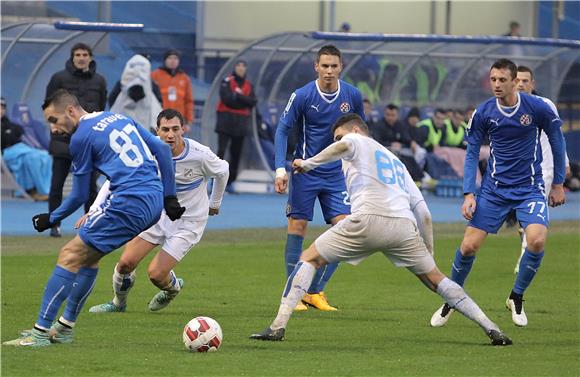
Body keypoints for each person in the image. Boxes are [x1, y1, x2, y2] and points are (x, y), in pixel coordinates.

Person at [250, 114, 512, 346]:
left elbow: (346, 144)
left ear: (355, 131)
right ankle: (492, 328)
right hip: (403, 227)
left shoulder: (357, 141)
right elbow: (424, 213)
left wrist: (308, 164)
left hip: (367, 219)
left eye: (338, 136)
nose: (337, 142)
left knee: (309, 258)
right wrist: (427, 251)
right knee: (435, 279)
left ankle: (277, 327)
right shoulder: (397, 162)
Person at [3, 90, 185, 347]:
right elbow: (162, 150)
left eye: (53, 120)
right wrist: (169, 197)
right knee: (88, 259)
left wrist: (51, 218)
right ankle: (65, 328)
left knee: (69, 255)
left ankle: (40, 332)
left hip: (129, 202)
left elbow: (78, 195)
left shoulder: (81, 137)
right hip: (152, 199)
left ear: (70, 111)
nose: (53, 129)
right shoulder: (116, 117)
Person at [430, 59, 566, 329]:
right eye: (493, 80)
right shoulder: (484, 112)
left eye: (502, 80)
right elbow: (471, 153)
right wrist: (469, 193)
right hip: (494, 191)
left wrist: (559, 182)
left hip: (530, 188)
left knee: (537, 241)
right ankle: (453, 298)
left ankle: (516, 297)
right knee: (468, 246)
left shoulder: (537, 108)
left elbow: (557, 140)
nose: (497, 85)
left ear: (516, 82)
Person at [87, 108, 229, 313]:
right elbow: (114, 178)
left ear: (184, 129)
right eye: (165, 129)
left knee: (156, 274)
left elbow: (223, 170)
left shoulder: (200, 155)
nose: (170, 134)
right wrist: (94, 209)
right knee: (125, 263)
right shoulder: (145, 150)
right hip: (157, 215)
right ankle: (118, 304)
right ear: (157, 130)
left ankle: (173, 288)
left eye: (175, 129)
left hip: (188, 222)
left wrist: (215, 203)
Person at [274, 45, 365, 311]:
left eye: (333, 66)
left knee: (347, 230)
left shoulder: (353, 95)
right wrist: (281, 169)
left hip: (338, 174)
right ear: (316, 66)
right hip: (306, 171)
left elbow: (361, 133)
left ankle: (314, 292)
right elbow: (282, 130)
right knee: (298, 228)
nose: (328, 71)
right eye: (324, 66)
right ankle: (292, 293)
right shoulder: (302, 95)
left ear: (341, 67)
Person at [509, 65, 570, 274]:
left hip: (545, 170)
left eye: (526, 81)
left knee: (536, 214)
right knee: (526, 216)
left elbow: (557, 137)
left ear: (532, 84)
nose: (521, 84)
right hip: (520, 171)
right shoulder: (508, 108)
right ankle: (526, 236)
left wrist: (565, 162)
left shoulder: (545, 105)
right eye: (518, 80)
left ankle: (524, 259)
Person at [45, 42, 106, 238]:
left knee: (90, 186)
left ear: (90, 57)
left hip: (89, 141)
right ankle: (54, 224)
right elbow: (48, 105)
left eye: (85, 54)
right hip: (63, 139)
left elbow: (101, 106)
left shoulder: (99, 80)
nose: (81, 57)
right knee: (57, 184)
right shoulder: (58, 78)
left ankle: (91, 223)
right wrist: (54, 126)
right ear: (72, 57)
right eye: (78, 54)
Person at [215, 59, 257, 191]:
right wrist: (243, 100)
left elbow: (253, 101)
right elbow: (226, 99)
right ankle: (216, 179)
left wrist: (238, 96)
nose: (241, 68)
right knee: (221, 151)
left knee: (236, 153)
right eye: (238, 66)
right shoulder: (227, 81)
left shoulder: (249, 85)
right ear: (234, 68)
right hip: (225, 120)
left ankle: (230, 182)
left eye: (243, 66)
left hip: (241, 123)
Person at [1, 97, 52, 201]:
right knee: (32, 158)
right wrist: (8, 135)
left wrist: (8, 135)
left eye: (2, 107)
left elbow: (17, 134)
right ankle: (41, 191)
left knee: (46, 156)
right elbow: (7, 139)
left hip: (20, 149)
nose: (1, 110)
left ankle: (47, 190)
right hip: (5, 153)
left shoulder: (11, 124)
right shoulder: (11, 127)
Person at [110, 55, 163, 133]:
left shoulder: (122, 82)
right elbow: (159, 103)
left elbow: (112, 100)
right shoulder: (151, 84)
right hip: (143, 124)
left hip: (126, 126)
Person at [374, 104, 423, 181]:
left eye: (393, 115)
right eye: (388, 115)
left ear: (397, 115)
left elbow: (406, 138)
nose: (390, 117)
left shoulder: (400, 124)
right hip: (384, 150)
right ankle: (411, 180)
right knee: (403, 159)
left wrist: (411, 142)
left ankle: (421, 178)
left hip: (399, 149)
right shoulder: (379, 125)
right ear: (384, 114)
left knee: (410, 156)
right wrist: (391, 144)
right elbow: (376, 141)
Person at [151, 49, 194, 129]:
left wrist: (189, 121)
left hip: (178, 120)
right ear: (165, 60)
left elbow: (189, 101)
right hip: (159, 118)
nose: (173, 61)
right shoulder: (155, 75)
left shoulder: (184, 78)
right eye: (170, 58)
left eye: (175, 58)